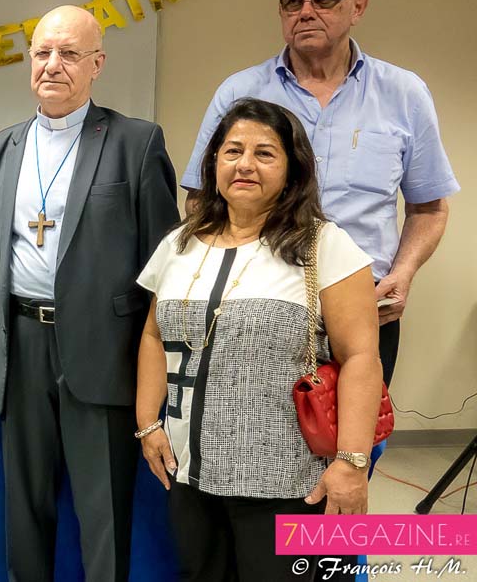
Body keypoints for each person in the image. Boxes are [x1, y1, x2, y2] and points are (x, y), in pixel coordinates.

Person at [181, 0, 459, 387]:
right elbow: (200, 200)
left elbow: (429, 207)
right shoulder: (240, 92)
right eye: (293, 2)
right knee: (255, 425)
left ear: (358, 7)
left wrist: (403, 273)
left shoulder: (403, 94)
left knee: (355, 427)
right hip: (257, 305)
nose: (306, 12)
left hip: (365, 307)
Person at [0, 4, 178, 582]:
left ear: (97, 65)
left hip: (104, 350)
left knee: (103, 508)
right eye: (42, 53)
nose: (53, 65)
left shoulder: (136, 142)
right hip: (21, 345)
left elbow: (164, 261)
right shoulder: (1, 149)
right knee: (24, 507)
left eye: (69, 53)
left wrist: (150, 358)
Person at [136, 98, 383, 581]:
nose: (245, 164)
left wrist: (352, 463)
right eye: (232, 151)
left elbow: (360, 358)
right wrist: (148, 423)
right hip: (190, 474)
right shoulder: (179, 244)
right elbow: (152, 334)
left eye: (264, 153)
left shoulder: (325, 245)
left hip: (287, 481)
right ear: (214, 163)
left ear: (292, 170)